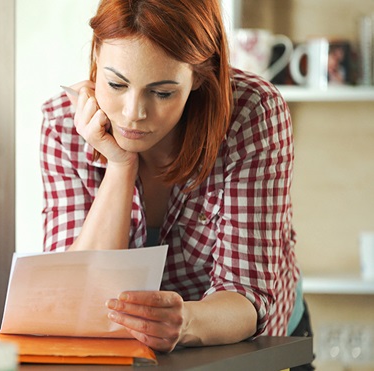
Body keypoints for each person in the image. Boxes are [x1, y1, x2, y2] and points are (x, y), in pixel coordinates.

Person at [39, 0, 313, 368]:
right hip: (129, 354)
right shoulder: (62, 124)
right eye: (116, 83)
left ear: (199, 75)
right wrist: (120, 165)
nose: (133, 113)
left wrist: (184, 322)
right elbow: (75, 296)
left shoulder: (252, 112)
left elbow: (245, 295)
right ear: (96, 55)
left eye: (162, 92)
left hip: (254, 346)